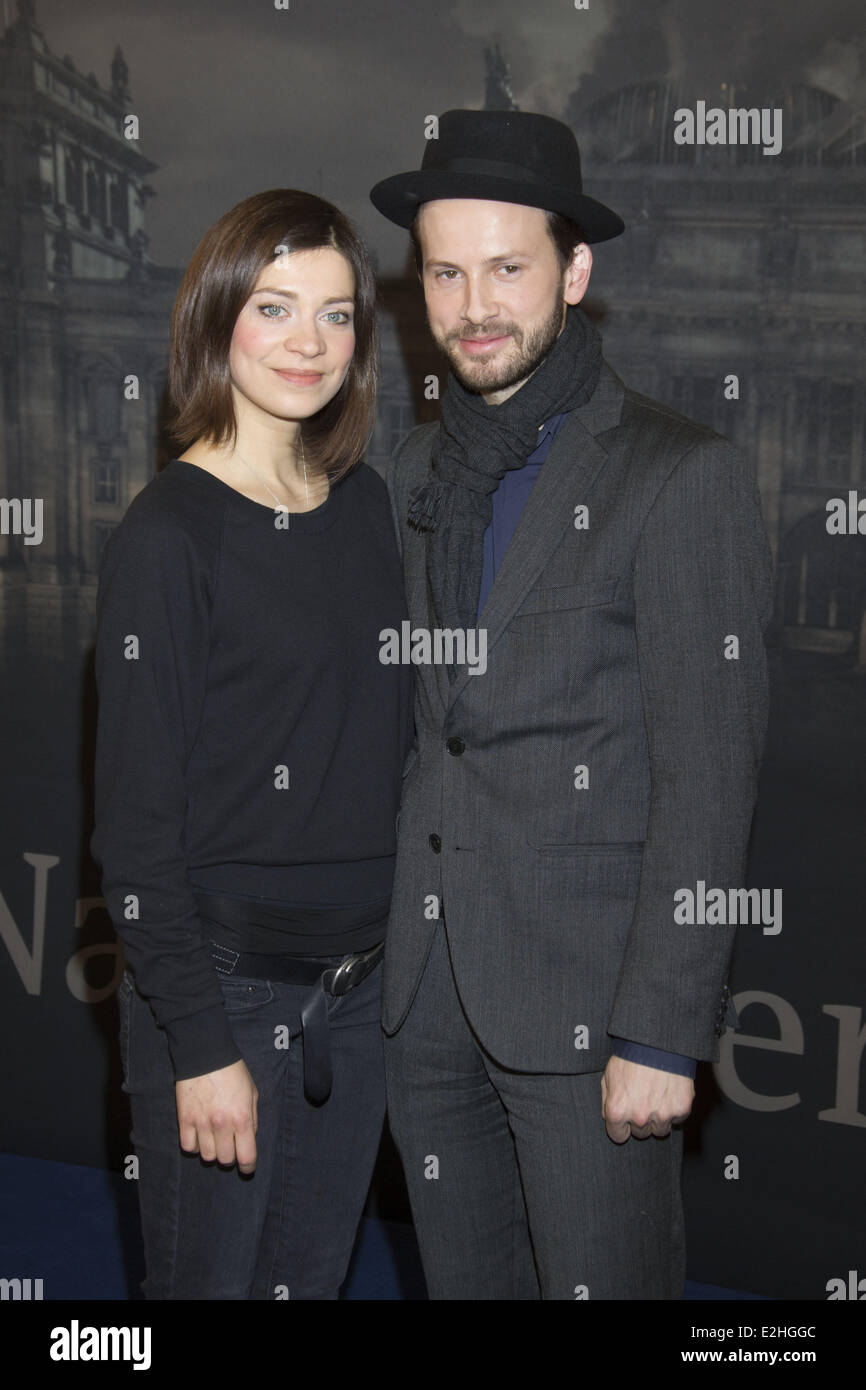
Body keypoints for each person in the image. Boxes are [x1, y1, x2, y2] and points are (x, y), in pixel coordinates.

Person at [369, 109, 774, 1299]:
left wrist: (659, 1032)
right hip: (423, 1002)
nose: (472, 304)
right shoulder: (410, 479)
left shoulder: (675, 473)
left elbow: (710, 772)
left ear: (575, 272)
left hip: (590, 1010)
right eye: (445, 271)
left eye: (507, 267)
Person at [90, 189, 413, 1300]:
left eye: (335, 316)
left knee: (308, 1285)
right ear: (216, 317)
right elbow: (133, 831)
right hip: (223, 996)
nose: (308, 343)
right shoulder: (168, 535)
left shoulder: (370, 506)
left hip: (359, 997)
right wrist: (195, 1041)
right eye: (274, 307)